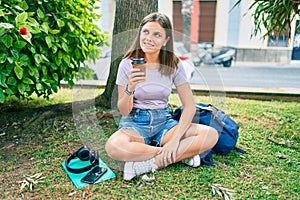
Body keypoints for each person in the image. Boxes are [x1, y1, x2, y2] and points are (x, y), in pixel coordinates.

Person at [105, 12, 218, 181]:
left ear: (166, 40)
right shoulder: (127, 64)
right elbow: (124, 110)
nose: (149, 38)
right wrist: (130, 88)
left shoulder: (173, 64)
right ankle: (180, 155)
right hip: (135, 122)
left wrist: (175, 140)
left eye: (157, 34)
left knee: (210, 135)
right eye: (146, 32)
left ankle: (147, 164)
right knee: (113, 147)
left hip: (164, 121)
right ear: (140, 34)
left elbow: (190, 105)